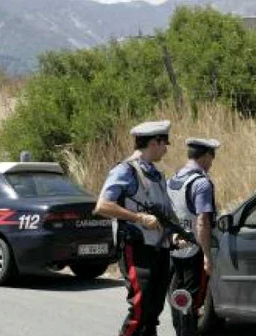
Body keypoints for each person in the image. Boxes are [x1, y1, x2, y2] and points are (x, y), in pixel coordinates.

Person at [94, 120, 184, 336]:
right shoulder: (125, 170)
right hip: (138, 248)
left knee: (152, 313)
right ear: (154, 143)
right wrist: (139, 218)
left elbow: (164, 214)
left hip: (160, 250)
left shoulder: (157, 174)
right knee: (140, 310)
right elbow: (102, 206)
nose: (166, 149)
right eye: (164, 144)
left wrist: (174, 236)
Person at [166, 137, 221, 336]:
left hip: (174, 249)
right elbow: (202, 221)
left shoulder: (172, 181)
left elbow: (167, 216)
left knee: (177, 298)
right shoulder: (201, 183)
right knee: (191, 302)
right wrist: (207, 255)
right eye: (212, 158)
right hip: (194, 251)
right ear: (206, 156)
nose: (211, 163)